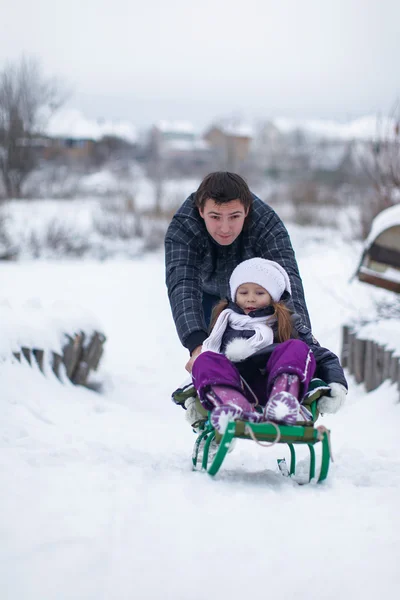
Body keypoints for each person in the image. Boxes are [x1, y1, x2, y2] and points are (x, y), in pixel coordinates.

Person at [165, 171, 312, 374]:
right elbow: (182, 283)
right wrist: (197, 346)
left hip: (255, 292)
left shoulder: (266, 223)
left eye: (234, 216)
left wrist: (303, 336)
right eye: (215, 217)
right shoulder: (183, 227)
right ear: (200, 210)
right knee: (212, 354)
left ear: (247, 209)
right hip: (205, 293)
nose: (225, 228)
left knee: (274, 345)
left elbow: (287, 280)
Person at [190, 257, 348, 434]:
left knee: (296, 347)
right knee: (204, 358)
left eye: (259, 293)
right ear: (234, 295)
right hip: (238, 386)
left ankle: (283, 401)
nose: (250, 299)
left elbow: (321, 356)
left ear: (273, 297)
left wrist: (336, 383)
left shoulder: (287, 322)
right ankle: (233, 407)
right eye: (243, 293)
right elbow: (210, 364)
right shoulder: (223, 324)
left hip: (274, 382)